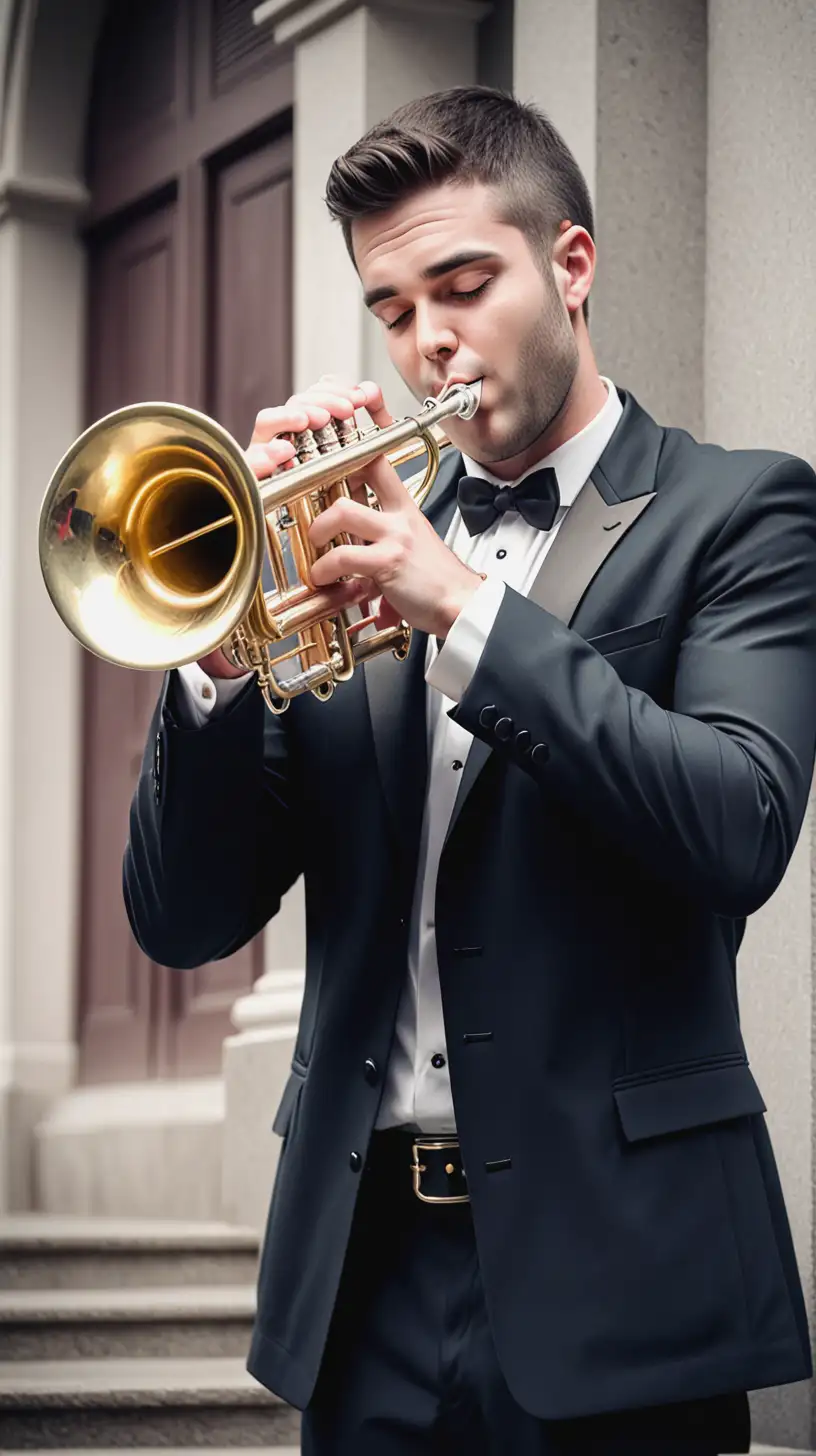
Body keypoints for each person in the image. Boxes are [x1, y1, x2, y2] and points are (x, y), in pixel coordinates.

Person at [123, 86, 816, 1454]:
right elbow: (184, 920)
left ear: (571, 264)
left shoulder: (741, 512)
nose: (428, 341)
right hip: (361, 1281)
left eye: (462, 283)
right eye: (391, 308)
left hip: (623, 1283)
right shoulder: (350, 553)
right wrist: (215, 650)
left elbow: (737, 822)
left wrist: (468, 616)